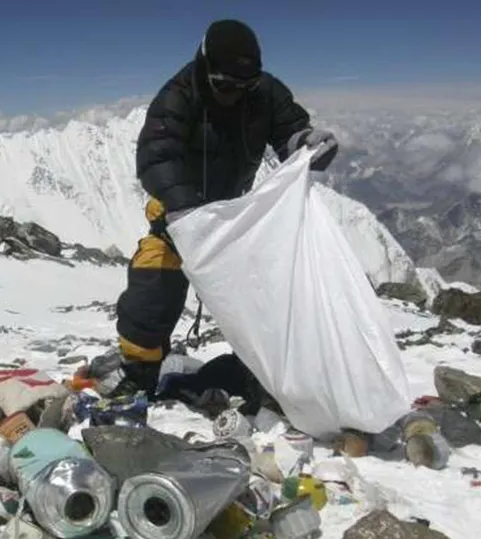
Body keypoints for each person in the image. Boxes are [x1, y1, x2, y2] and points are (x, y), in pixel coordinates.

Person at [98, 18, 339, 397]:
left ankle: (264, 372)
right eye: (226, 85)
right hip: (177, 218)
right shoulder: (178, 95)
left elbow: (288, 130)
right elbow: (156, 156)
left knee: (267, 292)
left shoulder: (265, 92)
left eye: (245, 86)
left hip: (234, 217)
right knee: (153, 286)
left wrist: (305, 144)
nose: (235, 94)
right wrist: (184, 210)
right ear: (205, 67)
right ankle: (140, 371)